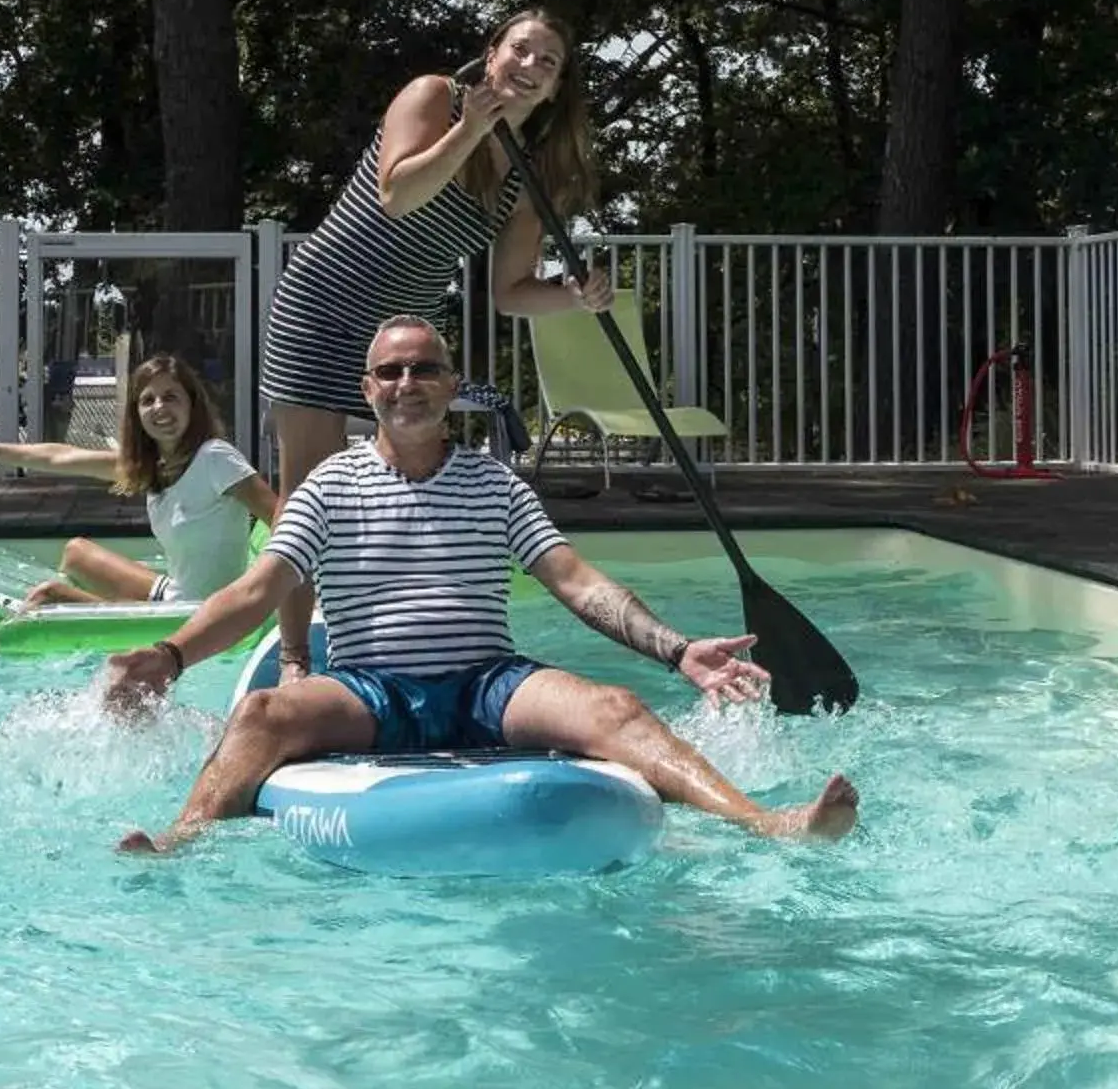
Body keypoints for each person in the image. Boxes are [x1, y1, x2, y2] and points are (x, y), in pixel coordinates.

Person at [98, 316, 860, 852]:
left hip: (489, 683)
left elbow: (575, 581)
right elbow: (258, 590)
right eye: (391, 371)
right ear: (369, 390)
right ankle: (183, 838)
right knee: (264, 712)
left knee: (617, 708)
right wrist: (169, 657)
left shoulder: (494, 484)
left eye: (424, 368)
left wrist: (678, 650)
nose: (407, 383)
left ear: (451, 384)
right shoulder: (330, 484)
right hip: (373, 689)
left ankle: (764, 821)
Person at [258, 7, 618, 498]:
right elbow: (398, 196)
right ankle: (282, 575)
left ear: (555, 88)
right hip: (325, 307)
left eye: (548, 62)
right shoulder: (434, 96)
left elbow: (510, 293)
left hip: (404, 335)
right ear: (491, 56)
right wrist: (470, 129)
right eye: (520, 49)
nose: (531, 64)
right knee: (310, 499)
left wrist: (576, 298)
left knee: (408, 488)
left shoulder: (529, 179)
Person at [0, 354, 278, 648]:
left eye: (171, 397)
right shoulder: (151, 466)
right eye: (148, 400)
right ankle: (95, 618)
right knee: (77, 551)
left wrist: (275, 594)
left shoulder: (215, 458)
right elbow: (59, 457)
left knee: (49, 593)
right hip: (173, 594)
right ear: (137, 414)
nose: (160, 408)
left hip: (195, 616)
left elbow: (282, 517)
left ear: (191, 404)